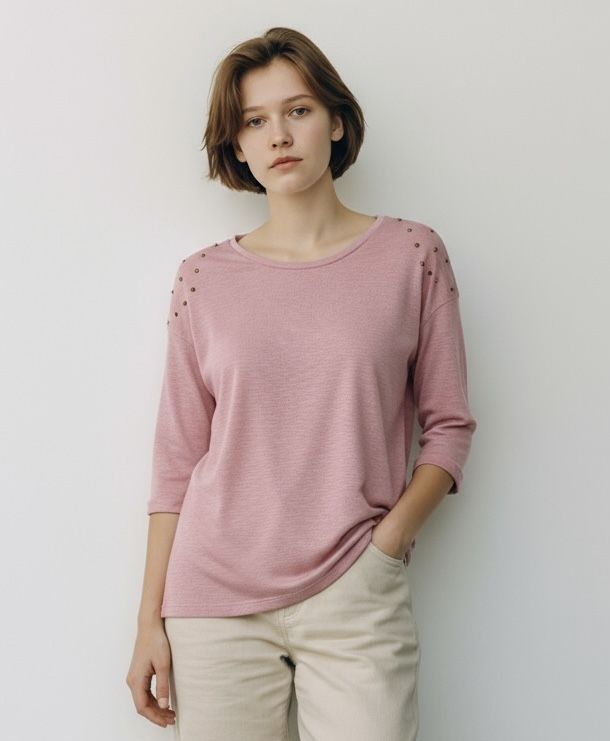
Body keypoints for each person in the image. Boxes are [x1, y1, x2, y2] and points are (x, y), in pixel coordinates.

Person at [126, 25, 477, 740]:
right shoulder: (202, 279)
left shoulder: (411, 255)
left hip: (356, 591)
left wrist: (387, 545)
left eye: (298, 110)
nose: (279, 136)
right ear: (237, 147)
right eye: (254, 121)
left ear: (336, 122)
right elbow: (177, 461)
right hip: (213, 601)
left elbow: (448, 426)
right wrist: (148, 621)